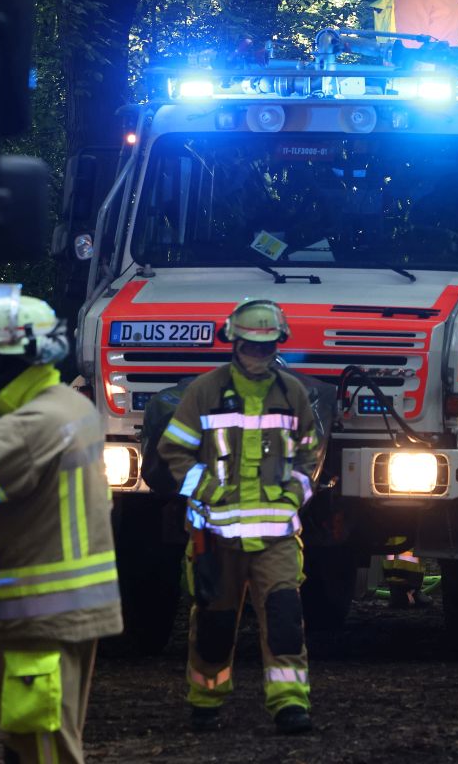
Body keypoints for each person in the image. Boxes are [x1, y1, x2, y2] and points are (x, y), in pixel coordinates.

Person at [0, 290, 122, 764]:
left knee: (42, 752)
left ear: (12, 359)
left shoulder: (37, 422)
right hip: (46, 618)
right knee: (35, 746)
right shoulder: (67, 407)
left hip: (41, 618)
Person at [157, 299, 324, 735]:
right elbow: (173, 449)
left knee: (285, 619)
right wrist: (208, 493)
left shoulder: (293, 393)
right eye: (250, 346)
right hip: (216, 535)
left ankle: (290, 704)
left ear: (277, 346)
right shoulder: (204, 392)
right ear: (234, 341)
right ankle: (206, 702)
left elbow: (311, 451)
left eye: (265, 348)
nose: (257, 355)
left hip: (276, 537)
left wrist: (293, 496)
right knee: (213, 624)